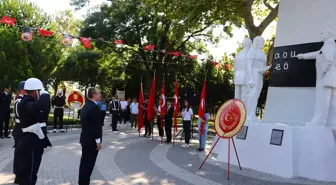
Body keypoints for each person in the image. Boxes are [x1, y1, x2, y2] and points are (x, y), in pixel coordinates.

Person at [15, 78, 47, 185]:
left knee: (33, 173)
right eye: (39, 91)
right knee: (29, 173)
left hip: (35, 142)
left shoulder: (32, 101)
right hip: (30, 143)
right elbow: (33, 108)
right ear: (34, 91)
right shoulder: (26, 102)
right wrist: (44, 95)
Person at [78, 87, 103, 185]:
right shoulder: (94, 107)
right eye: (99, 93)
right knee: (88, 166)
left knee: (84, 164)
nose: (100, 95)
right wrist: (98, 142)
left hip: (85, 139)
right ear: (94, 95)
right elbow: (96, 127)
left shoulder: (85, 106)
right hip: (91, 141)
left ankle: (81, 182)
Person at [12, 81, 25, 184]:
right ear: (23, 89)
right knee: (19, 154)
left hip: (21, 128)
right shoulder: (19, 101)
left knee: (21, 154)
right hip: (20, 128)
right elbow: (20, 116)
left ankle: (19, 175)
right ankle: (18, 176)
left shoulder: (22, 100)